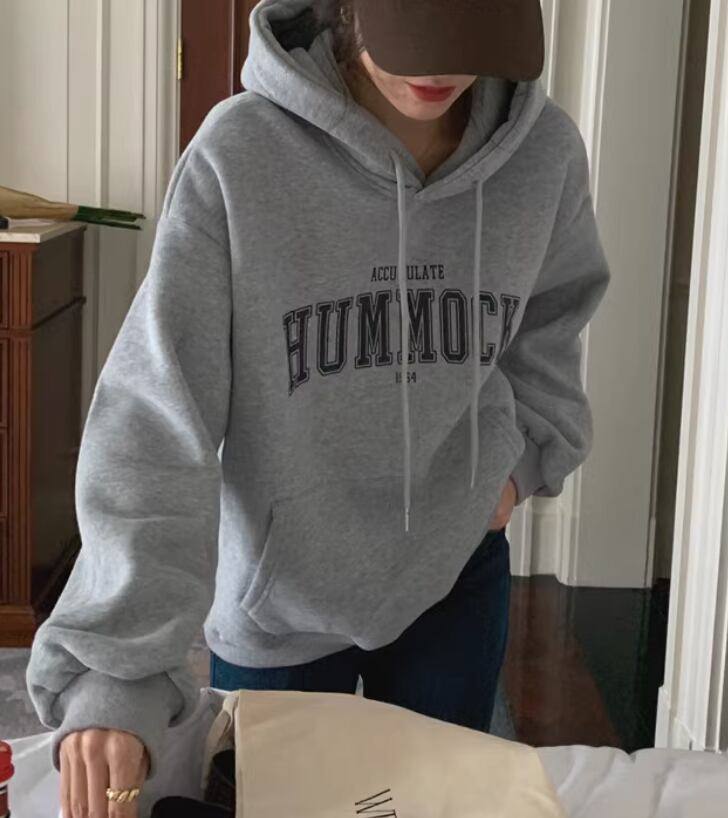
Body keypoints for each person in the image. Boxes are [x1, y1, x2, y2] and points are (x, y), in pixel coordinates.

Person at [26, 0, 610, 815]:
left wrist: (516, 469)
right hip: (281, 600)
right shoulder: (240, 156)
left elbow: (554, 319)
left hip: (456, 572)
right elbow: (157, 417)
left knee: (442, 804)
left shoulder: (541, 155)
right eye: (414, 35)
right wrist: (118, 670)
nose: (439, 69)